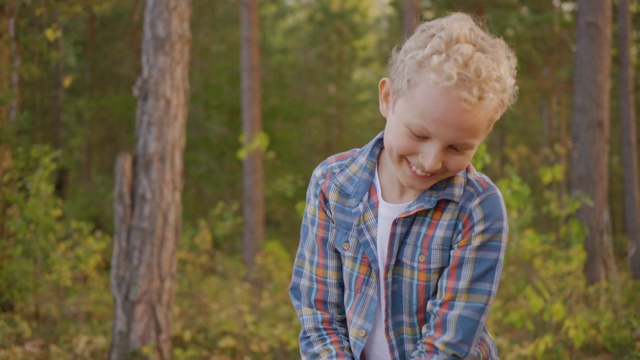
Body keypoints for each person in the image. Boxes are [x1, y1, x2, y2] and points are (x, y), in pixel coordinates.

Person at [289, 12, 517, 360]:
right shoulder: (332, 185)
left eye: (457, 148)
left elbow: (448, 344)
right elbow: (318, 314)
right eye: (419, 134)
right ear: (387, 98)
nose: (430, 161)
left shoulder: (477, 208)